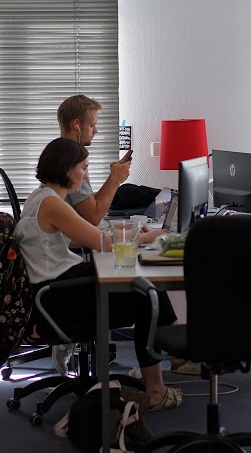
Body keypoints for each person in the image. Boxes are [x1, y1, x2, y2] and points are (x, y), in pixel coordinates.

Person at [14, 137, 183, 411]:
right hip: (58, 298)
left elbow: (84, 236)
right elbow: (100, 242)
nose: (86, 175)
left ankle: (176, 355)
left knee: (144, 286)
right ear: (66, 169)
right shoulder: (52, 204)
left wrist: (124, 233)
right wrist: (146, 237)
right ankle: (159, 386)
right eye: (83, 168)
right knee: (146, 297)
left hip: (54, 288)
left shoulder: (41, 196)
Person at [57, 94, 131, 225]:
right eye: (92, 125)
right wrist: (115, 179)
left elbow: (89, 205)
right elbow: (93, 217)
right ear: (76, 125)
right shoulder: (71, 158)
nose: (95, 131)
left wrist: (113, 176)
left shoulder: (61, 151)